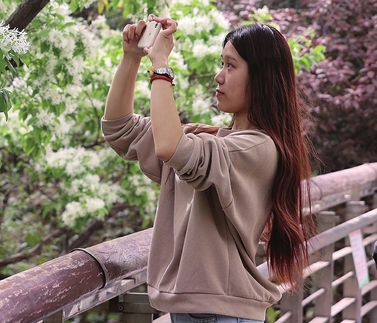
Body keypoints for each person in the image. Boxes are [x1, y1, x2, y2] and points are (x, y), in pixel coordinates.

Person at [102, 16, 315, 323]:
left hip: (220, 314)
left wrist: (161, 66)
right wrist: (132, 57)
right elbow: (119, 130)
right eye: (221, 63)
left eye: (231, 65)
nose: (218, 76)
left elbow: (170, 147)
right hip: (201, 312)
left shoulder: (257, 149)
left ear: (262, 78)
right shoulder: (215, 141)